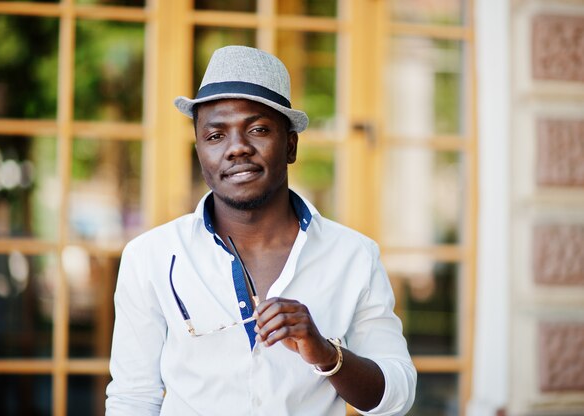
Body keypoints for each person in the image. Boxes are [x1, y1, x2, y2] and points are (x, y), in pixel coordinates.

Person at [106, 45, 416, 416]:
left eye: (257, 129)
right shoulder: (151, 256)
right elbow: (133, 398)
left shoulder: (353, 255)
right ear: (201, 151)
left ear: (290, 145)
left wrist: (325, 352)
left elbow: (397, 395)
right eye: (215, 136)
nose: (237, 149)